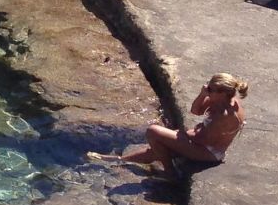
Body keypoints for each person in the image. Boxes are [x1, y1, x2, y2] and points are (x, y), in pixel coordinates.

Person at [97, 74, 248, 175]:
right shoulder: (220, 99)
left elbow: (205, 140)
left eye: (210, 89)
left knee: (153, 132)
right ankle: (119, 161)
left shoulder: (225, 115)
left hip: (209, 152)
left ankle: (170, 173)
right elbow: (196, 111)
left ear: (222, 93)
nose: (206, 89)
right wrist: (203, 95)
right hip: (201, 142)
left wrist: (182, 136)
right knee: (157, 148)